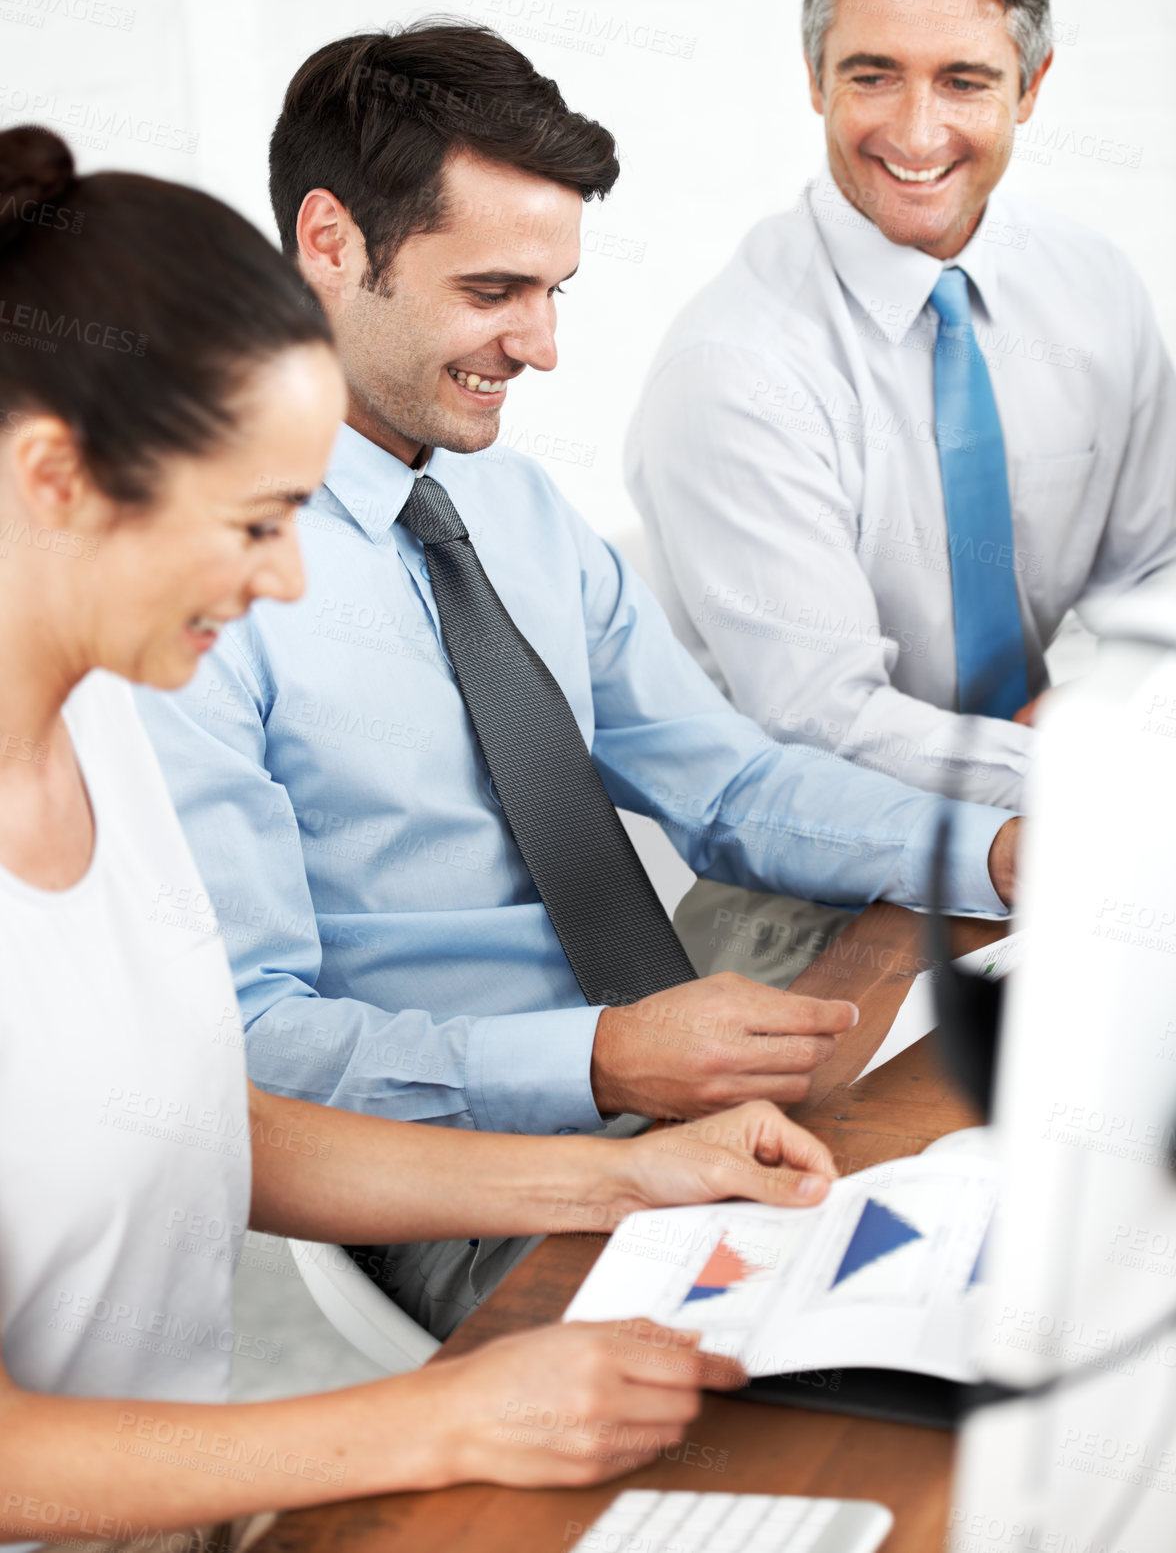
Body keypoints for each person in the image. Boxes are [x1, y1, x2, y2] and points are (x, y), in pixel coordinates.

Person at [0, 124, 844, 1551]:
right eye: (258, 522)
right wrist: (444, 1413)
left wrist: (622, 1171)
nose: (286, 576)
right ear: (54, 478)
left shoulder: (99, 740)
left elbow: (191, 1115)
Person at [137, 21, 1019, 1341]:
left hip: (681, 1092)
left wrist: (1001, 851)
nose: (541, 346)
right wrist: (598, 1058)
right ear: (330, 242)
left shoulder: (513, 506)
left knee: (1022, 1247)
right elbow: (247, 1053)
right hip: (462, 1179)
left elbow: (726, 782)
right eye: (496, 289)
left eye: (556, 291)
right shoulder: (188, 590)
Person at [625, 0, 1176, 989]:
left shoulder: (1094, 292)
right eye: (873, 76)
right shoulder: (734, 369)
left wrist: (1105, 699)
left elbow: (1157, 575)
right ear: (814, 80)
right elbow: (824, 723)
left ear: (1031, 86)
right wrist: (1087, 772)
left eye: (963, 80)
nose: (916, 132)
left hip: (1077, 832)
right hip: (811, 882)